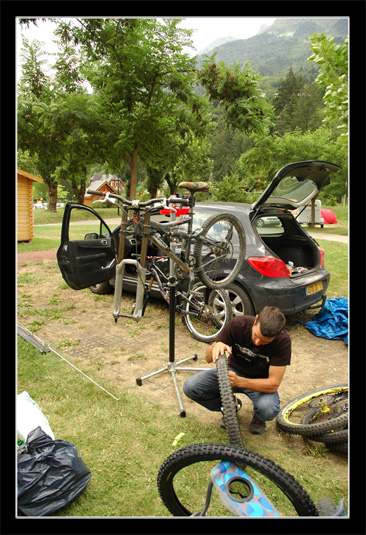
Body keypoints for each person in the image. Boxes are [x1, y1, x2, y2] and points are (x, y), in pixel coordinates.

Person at [183, 306, 291, 434]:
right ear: (256, 319)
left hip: (259, 381)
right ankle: (230, 407)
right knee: (191, 387)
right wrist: (216, 346)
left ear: (278, 335)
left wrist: (240, 382)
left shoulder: (283, 342)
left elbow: (273, 384)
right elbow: (207, 358)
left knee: (268, 410)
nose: (257, 342)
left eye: (264, 342)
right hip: (232, 371)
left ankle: (259, 418)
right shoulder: (238, 324)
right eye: (256, 335)